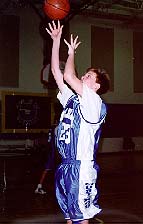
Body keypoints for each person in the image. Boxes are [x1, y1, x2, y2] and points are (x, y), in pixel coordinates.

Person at [46, 20, 110, 224]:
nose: (83, 76)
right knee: (70, 217)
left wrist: (72, 53)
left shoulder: (94, 101)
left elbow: (68, 74)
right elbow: (57, 74)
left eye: (88, 75)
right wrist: (55, 41)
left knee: (81, 219)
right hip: (65, 166)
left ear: (97, 85)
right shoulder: (73, 100)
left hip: (81, 168)